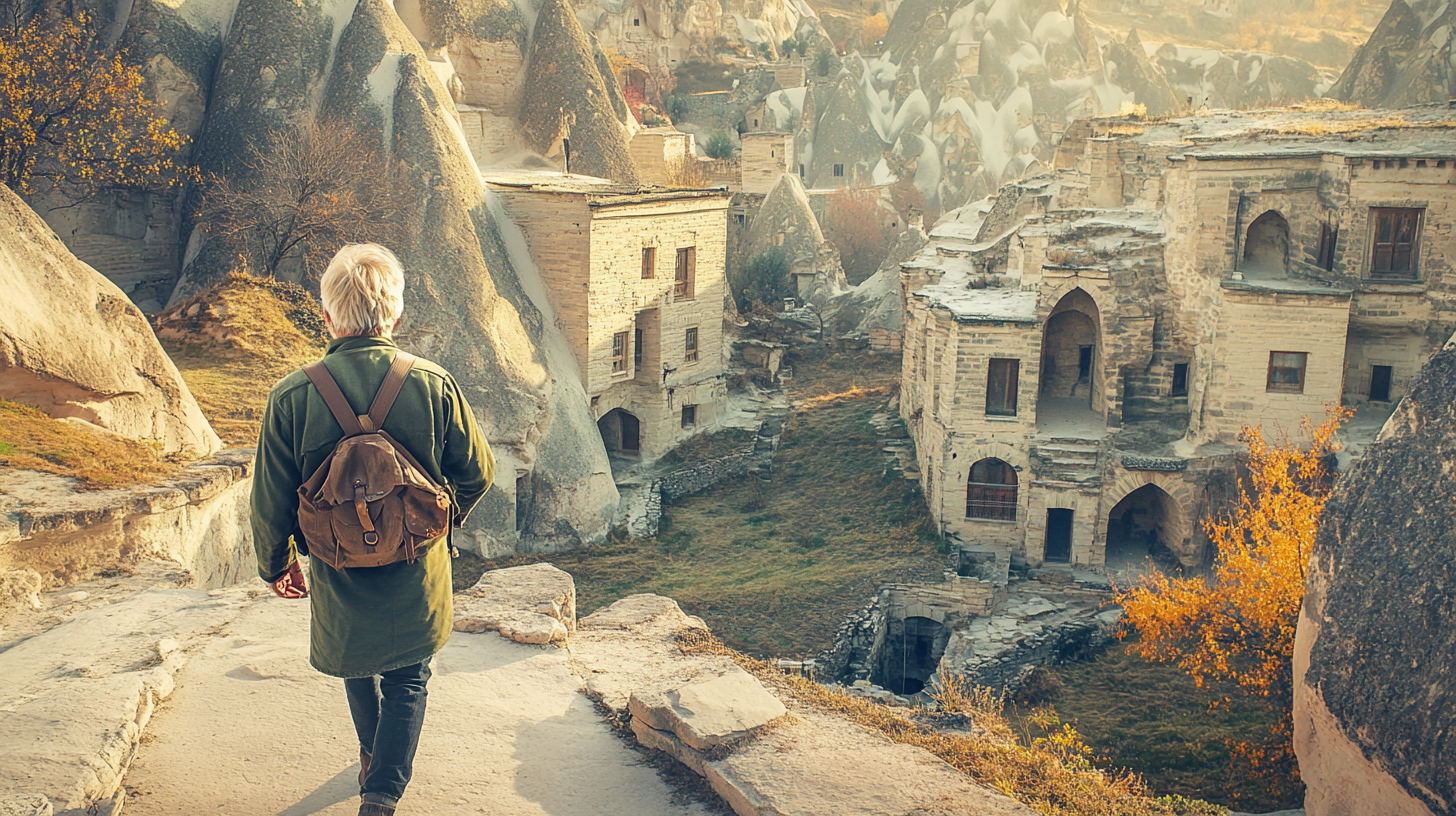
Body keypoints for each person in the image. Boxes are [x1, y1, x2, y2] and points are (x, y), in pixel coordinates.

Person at [250, 243, 495, 816]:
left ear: (328, 316)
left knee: (357, 663)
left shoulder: (291, 395)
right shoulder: (432, 383)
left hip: (337, 564)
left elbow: (270, 496)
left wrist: (276, 561)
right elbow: (478, 472)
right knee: (410, 675)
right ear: (397, 315)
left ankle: (373, 762)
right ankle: (383, 793)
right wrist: (435, 521)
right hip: (417, 564)